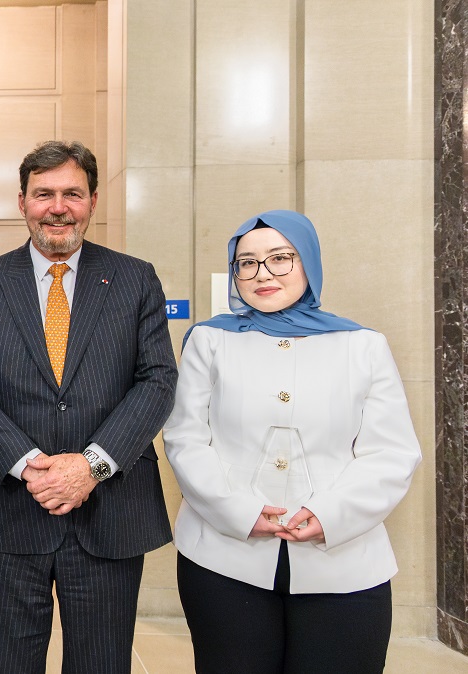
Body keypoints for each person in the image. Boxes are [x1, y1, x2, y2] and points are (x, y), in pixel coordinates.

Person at [0, 140, 178, 673]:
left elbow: (158, 380)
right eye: (43, 193)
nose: (57, 207)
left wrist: (90, 465)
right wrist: (31, 465)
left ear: (93, 201)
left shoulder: (135, 278)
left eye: (72, 193)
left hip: (109, 508)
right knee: (6, 664)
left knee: (102, 663)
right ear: (21, 202)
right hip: (9, 509)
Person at [163, 209, 422, 674]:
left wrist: (330, 514)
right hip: (224, 558)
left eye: (280, 258)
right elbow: (186, 439)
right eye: (247, 262)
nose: (263, 274)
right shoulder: (209, 340)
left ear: (309, 261)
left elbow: (391, 453)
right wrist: (239, 511)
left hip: (343, 561)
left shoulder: (362, 346)